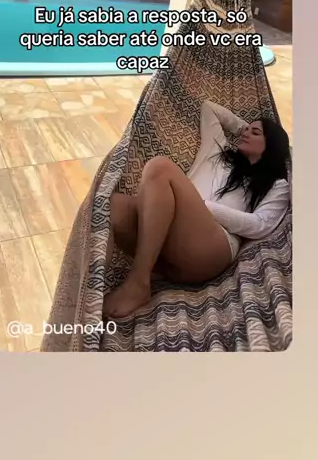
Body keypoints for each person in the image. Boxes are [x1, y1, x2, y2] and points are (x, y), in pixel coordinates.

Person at [102, 100, 291, 319]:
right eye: (246, 129)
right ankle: (106, 277)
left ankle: (138, 282)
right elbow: (209, 108)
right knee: (112, 205)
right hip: (174, 242)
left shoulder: (277, 184)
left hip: (213, 248)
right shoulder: (217, 150)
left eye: (255, 132)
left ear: (271, 146)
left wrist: (205, 208)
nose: (246, 133)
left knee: (160, 167)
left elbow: (261, 225)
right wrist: (243, 127)